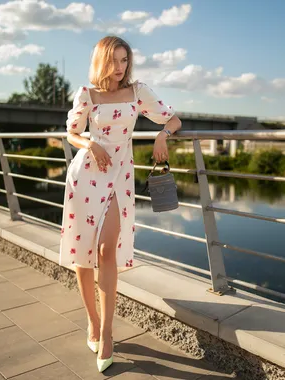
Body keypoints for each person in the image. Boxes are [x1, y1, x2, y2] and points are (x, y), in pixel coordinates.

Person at [59, 35, 182, 373]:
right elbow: (70, 132)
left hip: (118, 177)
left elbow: (173, 119)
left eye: (125, 60)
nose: (119, 67)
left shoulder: (137, 91)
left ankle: (109, 333)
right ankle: (93, 322)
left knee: (105, 250)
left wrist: (161, 135)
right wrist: (89, 144)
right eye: (114, 60)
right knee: (82, 254)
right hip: (86, 174)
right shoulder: (87, 94)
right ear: (101, 60)